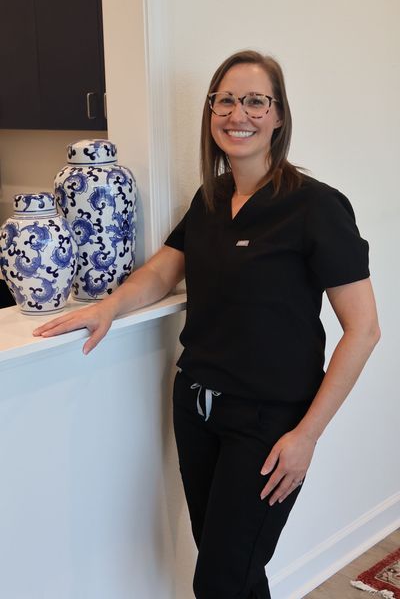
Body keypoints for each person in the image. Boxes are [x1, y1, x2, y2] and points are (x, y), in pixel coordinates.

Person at [33, 50, 380, 599]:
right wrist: (108, 306)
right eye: (226, 100)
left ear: (279, 115)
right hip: (195, 408)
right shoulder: (211, 198)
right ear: (210, 111)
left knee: (221, 579)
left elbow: (363, 331)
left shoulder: (316, 207)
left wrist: (306, 436)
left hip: (269, 424)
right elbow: (163, 269)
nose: (238, 113)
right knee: (233, 571)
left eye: (255, 101)